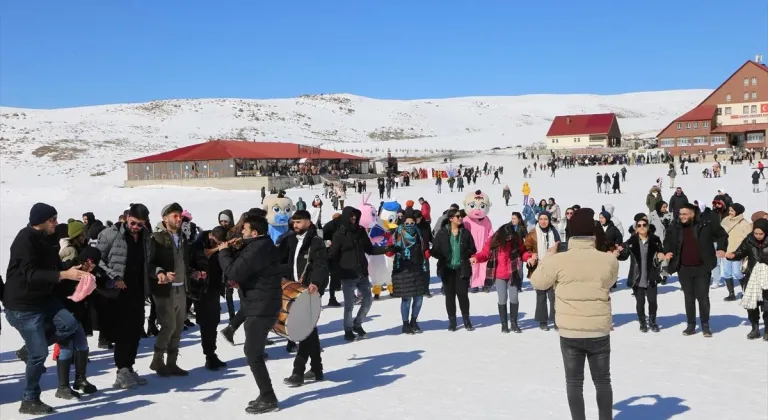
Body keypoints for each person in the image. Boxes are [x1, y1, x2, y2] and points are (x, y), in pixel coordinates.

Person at [531, 208, 618, 420]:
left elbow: (537, 282)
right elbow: (610, 282)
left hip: (570, 331)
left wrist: (549, 255)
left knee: (574, 382)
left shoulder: (558, 260)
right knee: (603, 381)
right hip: (598, 330)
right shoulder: (608, 260)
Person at [4, 203, 88, 415]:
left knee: (69, 324)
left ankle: (28, 350)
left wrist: (68, 270)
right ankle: (29, 399)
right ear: (39, 222)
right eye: (52, 220)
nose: (56, 223)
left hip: (43, 300)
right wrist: (62, 275)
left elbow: (52, 266)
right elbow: (30, 274)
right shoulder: (24, 240)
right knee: (39, 353)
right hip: (22, 305)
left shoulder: (50, 238)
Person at [218, 214, 284, 414]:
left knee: (253, 354)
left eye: (244, 230)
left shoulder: (257, 248)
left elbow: (234, 272)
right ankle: (265, 394)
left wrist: (224, 252)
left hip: (260, 308)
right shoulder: (263, 245)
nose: (241, 233)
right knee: (253, 352)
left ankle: (268, 397)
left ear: (254, 233)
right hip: (262, 304)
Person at [97, 203, 154, 389]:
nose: (135, 227)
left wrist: (158, 272)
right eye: (133, 222)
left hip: (137, 290)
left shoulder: (145, 237)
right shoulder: (110, 234)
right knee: (123, 332)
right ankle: (121, 371)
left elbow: (148, 262)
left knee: (136, 330)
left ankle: (128, 368)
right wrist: (115, 277)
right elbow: (96, 260)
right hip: (117, 292)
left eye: (140, 224)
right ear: (126, 217)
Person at [661, 203, 728, 337]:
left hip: (702, 267)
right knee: (689, 298)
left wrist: (721, 248)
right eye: (680, 214)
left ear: (692, 214)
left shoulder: (705, 224)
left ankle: (705, 325)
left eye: (685, 214)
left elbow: (722, 235)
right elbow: (667, 241)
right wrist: (667, 251)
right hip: (684, 268)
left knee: (703, 297)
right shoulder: (675, 227)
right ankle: (691, 325)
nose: (682, 217)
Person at [279, 210, 329, 386]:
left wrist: (315, 282)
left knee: (305, 332)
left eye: (299, 222)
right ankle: (316, 369)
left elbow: (321, 266)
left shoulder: (316, 242)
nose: (295, 225)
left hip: (309, 292)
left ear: (309, 222)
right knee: (310, 332)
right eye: (294, 222)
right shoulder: (291, 240)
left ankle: (297, 372)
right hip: (294, 291)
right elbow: (286, 262)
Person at [328, 206, 388, 341]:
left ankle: (357, 324)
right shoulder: (339, 235)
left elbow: (370, 249)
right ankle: (348, 330)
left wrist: (387, 249)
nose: (354, 218)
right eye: (351, 216)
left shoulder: (360, 231)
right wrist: (334, 272)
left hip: (362, 274)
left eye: (355, 216)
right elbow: (332, 255)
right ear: (345, 217)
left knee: (367, 300)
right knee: (349, 306)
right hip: (347, 275)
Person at [148, 203, 191, 377]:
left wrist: (194, 272)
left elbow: (185, 262)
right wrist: (160, 273)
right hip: (164, 290)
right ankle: (157, 360)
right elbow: (148, 264)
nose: (179, 219)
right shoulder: (156, 239)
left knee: (178, 327)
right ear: (165, 218)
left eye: (180, 216)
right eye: (175, 216)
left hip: (181, 289)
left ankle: (172, 363)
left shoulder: (183, 238)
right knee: (168, 326)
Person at [471, 223, 526, 333]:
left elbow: (523, 252)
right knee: (502, 298)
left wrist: (528, 257)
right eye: (507, 237)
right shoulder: (493, 241)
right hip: (499, 275)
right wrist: (476, 257)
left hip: (513, 273)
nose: (509, 239)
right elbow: (485, 254)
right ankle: (504, 324)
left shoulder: (516, 240)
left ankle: (514, 323)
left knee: (514, 297)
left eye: (510, 236)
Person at [188, 226, 229, 370]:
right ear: (210, 235)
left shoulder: (221, 246)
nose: (215, 245)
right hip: (200, 290)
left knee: (214, 322)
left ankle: (212, 354)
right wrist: (195, 273)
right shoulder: (196, 246)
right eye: (214, 242)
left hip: (214, 288)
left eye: (218, 244)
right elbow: (186, 266)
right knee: (206, 324)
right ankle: (209, 355)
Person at [430, 209, 477, 331]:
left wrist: (465, 254)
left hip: (461, 269)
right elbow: (436, 249)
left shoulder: (465, 233)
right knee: (449, 296)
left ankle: (466, 320)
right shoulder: (442, 233)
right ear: (451, 219)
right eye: (457, 216)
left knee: (463, 295)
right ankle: (452, 322)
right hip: (447, 269)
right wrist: (435, 253)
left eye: (461, 216)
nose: (460, 218)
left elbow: (473, 248)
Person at [616, 218, 664, 332]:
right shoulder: (631, 242)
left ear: (648, 227)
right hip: (637, 276)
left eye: (644, 225)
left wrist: (660, 258)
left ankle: (652, 321)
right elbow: (624, 256)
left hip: (651, 275)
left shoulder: (655, 240)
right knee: (640, 301)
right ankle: (642, 322)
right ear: (636, 228)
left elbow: (659, 257)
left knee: (652, 301)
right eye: (639, 225)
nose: (642, 227)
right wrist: (617, 252)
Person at [388, 210, 430, 334]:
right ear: (403, 222)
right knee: (406, 299)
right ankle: (405, 324)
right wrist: (390, 250)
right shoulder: (397, 234)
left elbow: (425, 248)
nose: (410, 224)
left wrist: (427, 253)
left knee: (419, 299)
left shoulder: (419, 233)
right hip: (403, 270)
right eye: (407, 222)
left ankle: (414, 321)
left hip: (418, 269)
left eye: (412, 222)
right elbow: (389, 250)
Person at [726, 219, 768, 340]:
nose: (758, 236)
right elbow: (741, 251)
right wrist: (733, 255)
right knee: (751, 305)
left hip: (766, 277)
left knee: (767, 305)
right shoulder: (749, 239)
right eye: (756, 233)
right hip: (752, 276)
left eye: (761, 234)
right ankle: (755, 329)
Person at [523, 212, 561, 330]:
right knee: (541, 296)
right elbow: (525, 248)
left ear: (549, 220)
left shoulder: (555, 233)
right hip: (538, 268)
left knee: (554, 296)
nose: (543, 221)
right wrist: (530, 255)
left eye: (545, 219)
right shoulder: (532, 234)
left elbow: (560, 249)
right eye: (541, 219)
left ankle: (556, 320)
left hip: (552, 268)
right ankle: (542, 321)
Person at [719, 203, 751, 301]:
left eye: (732, 211)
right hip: (726, 251)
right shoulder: (725, 220)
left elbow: (748, 239)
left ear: (738, 211)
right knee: (727, 272)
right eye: (729, 210)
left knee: (737, 273)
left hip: (737, 252)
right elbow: (720, 234)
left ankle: (745, 291)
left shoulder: (744, 223)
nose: (730, 212)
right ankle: (731, 294)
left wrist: (744, 252)